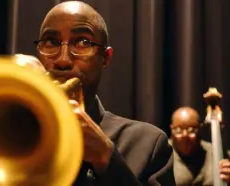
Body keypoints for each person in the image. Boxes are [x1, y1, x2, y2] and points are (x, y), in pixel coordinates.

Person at [34, 1, 175, 185]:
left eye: (82, 42)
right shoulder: (7, 136)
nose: (63, 60)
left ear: (105, 58)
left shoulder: (147, 144)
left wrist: (106, 158)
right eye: (51, 42)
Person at [169, 106, 230, 186]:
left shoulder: (220, 153)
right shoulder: (160, 152)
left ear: (199, 129)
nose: (185, 135)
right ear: (171, 129)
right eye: (178, 130)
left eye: (191, 130)